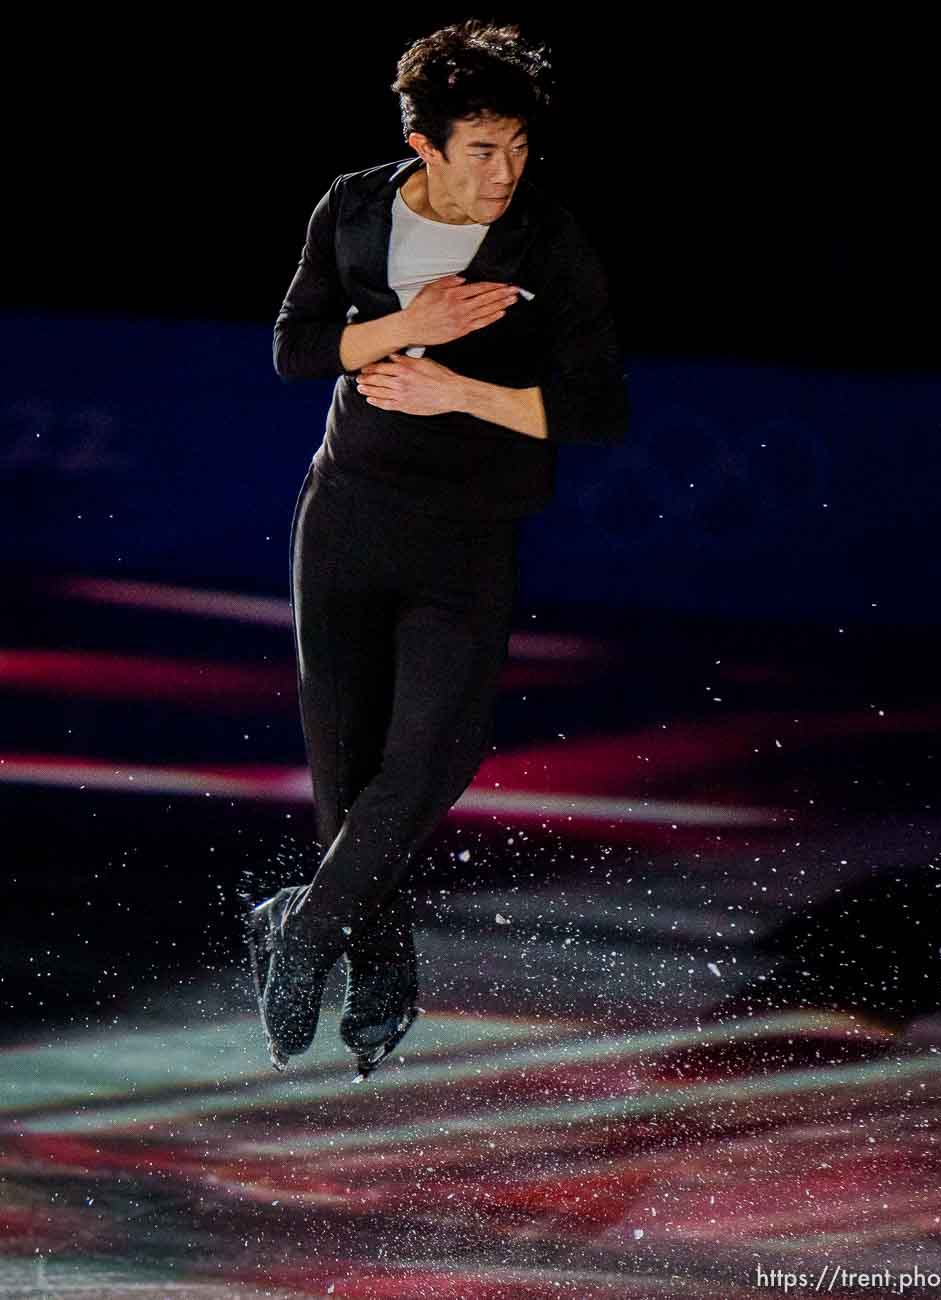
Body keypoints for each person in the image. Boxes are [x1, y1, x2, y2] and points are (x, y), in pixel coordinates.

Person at [247, 18, 630, 1080]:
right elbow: (296, 347)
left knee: (432, 757)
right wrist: (408, 326)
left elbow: (599, 409)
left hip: (467, 535)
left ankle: (304, 931)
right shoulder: (355, 204)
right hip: (348, 516)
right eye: (482, 149)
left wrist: (455, 386)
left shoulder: (547, 240)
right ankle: (379, 971)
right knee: (347, 777)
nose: (506, 171)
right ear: (426, 145)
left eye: (517, 147)